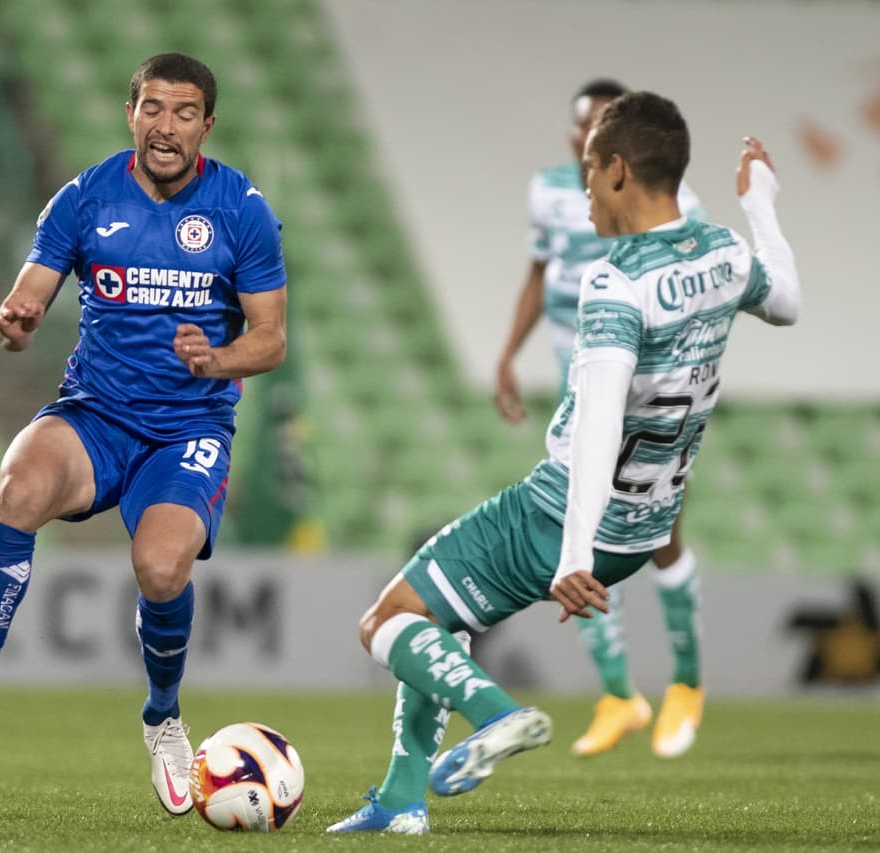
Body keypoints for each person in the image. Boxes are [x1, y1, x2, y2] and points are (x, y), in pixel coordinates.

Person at [328, 92, 799, 834]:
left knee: (386, 621)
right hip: (647, 526)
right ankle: (401, 799)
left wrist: (572, 554)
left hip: (565, 517)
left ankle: (498, 716)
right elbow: (789, 301)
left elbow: (598, 427)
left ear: (617, 171)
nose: (582, 190)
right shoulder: (722, 251)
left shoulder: (617, 283)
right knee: (439, 615)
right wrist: (761, 201)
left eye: (588, 171)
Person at [0, 53, 288, 817]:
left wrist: (219, 357)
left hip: (188, 426)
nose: (165, 126)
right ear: (130, 112)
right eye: (152, 108)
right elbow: (23, 306)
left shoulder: (242, 209)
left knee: (163, 570)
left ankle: (164, 720)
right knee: (19, 484)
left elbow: (270, 340)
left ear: (207, 125)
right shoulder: (83, 198)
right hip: (97, 414)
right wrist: (15, 323)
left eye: (183, 112)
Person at [494, 78, 710, 759]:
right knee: (574, 533)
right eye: (579, 128)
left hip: (646, 399)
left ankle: (687, 684)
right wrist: (506, 354)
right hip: (576, 394)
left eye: (598, 129)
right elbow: (539, 272)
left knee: (662, 536)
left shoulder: (674, 203)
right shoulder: (550, 191)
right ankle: (619, 691)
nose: (585, 140)